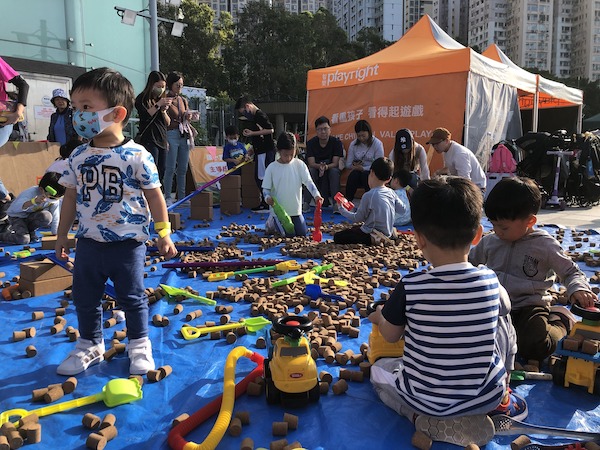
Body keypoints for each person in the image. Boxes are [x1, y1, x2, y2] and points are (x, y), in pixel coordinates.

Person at [369, 176, 523, 448]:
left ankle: (416, 417)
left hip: (425, 400)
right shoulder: (489, 279)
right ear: (478, 234)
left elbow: (390, 336)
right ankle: (504, 392)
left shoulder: (412, 286)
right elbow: (505, 308)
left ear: (419, 239)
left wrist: (381, 316)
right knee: (501, 315)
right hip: (485, 395)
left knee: (379, 372)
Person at [54, 67, 177, 376]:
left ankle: (139, 345)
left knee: (133, 297)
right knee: (85, 296)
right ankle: (90, 345)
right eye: (75, 107)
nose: (77, 115)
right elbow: (69, 197)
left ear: (117, 112)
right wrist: (61, 235)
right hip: (89, 243)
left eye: (86, 108)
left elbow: (155, 197)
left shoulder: (137, 155)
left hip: (128, 243)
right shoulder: (78, 156)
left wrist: (164, 233)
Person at [469, 177, 596, 363]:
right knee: (475, 340)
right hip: (496, 305)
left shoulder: (544, 245)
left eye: (503, 227)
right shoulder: (490, 242)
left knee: (535, 346)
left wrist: (578, 287)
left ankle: (560, 320)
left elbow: (570, 272)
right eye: (493, 224)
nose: (497, 231)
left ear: (530, 221)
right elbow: (469, 262)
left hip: (530, 305)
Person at [262, 132, 322, 237]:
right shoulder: (272, 167)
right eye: (285, 155)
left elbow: (308, 182)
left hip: (295, 211)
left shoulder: (300, 165)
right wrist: (267, 198)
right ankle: (271, 221)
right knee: (288, 235)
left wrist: (316, 195)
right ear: (279, 151)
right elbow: (265, 189)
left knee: (302, 233)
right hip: (279, 212)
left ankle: (277, 223)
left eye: (292, 154)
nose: (289, 158)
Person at [334, 157, 405, 245]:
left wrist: (341, 209)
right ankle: (389, 235)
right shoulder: (391, 192)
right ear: (389, 179)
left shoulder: (369, 195)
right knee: (357, 228)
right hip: (388, 231)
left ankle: (376, 239)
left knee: (338, 236)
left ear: (371, 173)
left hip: (371, 233)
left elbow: (358, 218)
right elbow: (402, 210)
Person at [0, 57, 29, 227]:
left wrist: (18, 112)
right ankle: (5, 200)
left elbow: (23, 85)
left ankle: (5, 200)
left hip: (3, 120)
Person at [235, 96, 276, 211]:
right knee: (259, 177)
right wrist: (252, 149)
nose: (245, 114)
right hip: (259, 150)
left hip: (265, 150)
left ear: (248, 106)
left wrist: (253, 133)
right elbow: (259, 137)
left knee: (263, 178)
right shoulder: (254, 118)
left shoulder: (260, 115)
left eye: (243, 112)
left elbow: (270, 130)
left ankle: (267, 202)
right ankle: (265, 201)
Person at [0, 171, 65, 244]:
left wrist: (56, 233)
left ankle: (30, 232)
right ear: (41, 190)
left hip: (30, 217)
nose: (53, 200)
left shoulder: (54, 199)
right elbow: (15, 208)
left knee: (46, 216)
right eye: (51, 198)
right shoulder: (31, 193)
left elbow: (55, 216)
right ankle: (2, 236)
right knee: (23, 240)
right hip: (17, 217)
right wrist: (33, 201)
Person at [135, 71, 173, 183]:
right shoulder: (142, 98)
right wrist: (158, 105)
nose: (161, 89)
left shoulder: (161, 100)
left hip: (162, 138)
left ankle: (159, 192)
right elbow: (146, 115)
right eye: (158, 86)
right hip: (149, 138)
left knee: (162, 169)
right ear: (151, 85)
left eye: (163, 87)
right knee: (151, 168)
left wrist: (164, 111)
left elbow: (167, 122)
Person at [164, 71, 194, 206]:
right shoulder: (165, 98)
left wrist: (189, 117)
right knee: (170, 167)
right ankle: (167, 196)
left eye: (181, 85)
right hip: (171, 134)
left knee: (182, 168)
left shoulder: (183, 100)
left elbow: (186, 117)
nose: (179, 87)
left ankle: (181, 197)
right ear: (170, 84)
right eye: (177, 85)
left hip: (184, 134)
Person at [303, 116, 343, 212]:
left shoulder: (336, 143)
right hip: (316, 167)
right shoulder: (311, 143)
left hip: (330, 167)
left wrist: (325, 167)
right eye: (320, 129)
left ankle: (336, 204)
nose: (323, 132)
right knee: (310, 171)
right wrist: (320, 167)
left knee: (334, 172)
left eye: (325, 129)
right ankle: (306, 203)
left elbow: (335, 163)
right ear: (316, 131)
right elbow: (311, 163)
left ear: (330, 129)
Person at [344, 119, 385, 201]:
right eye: (359, 136)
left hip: (371, 173)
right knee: (353, 175)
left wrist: (363, 168)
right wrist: (354, 166)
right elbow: (348, 164)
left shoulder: (377, 144)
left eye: (363, 136)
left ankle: (370, 201)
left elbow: (379, 165)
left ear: (369, 133)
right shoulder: (353, 144)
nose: (361, 138)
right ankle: (348, 200)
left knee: (366, 175)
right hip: (357, 172)